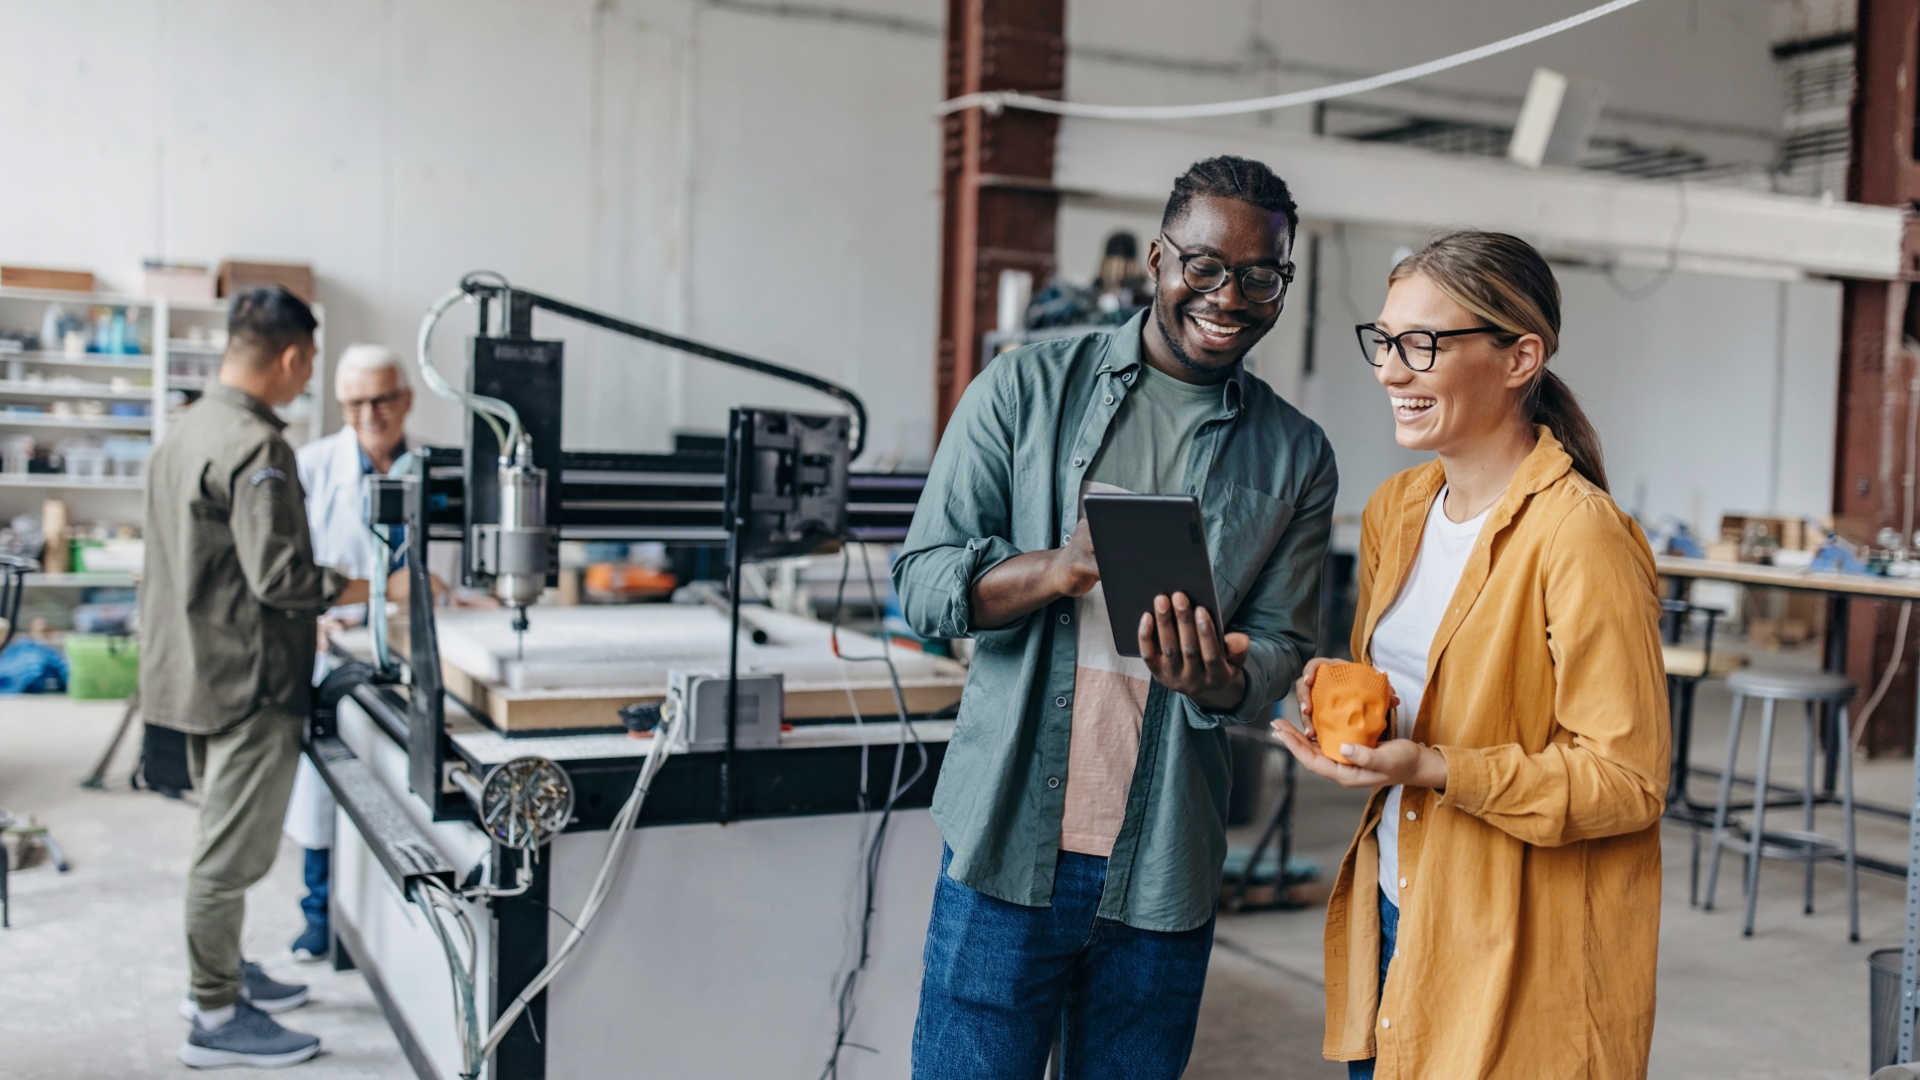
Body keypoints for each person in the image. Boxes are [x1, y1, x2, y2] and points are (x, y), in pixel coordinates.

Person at [895, 155, 1338, 1079]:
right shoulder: (1022, 392)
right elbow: (926, 581)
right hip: (1006, 849)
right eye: (1206, 266)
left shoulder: (1298, 455)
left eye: (1263, 276)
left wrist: (1219, 679)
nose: (1230, 295)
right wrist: (1056, 570)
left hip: (1163, 869)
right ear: (1157, 258)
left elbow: (1287, 650)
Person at [1272, 231, 1667, 1079]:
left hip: (1519, 955)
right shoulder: (1398, 511)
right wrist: (1346, 701)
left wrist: (1436, 764)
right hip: (1397, 921)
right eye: (1384, 341)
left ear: (1520, 356)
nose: (1390, 371)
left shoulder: (1579, 537)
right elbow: (1411, 690)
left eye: (1423, 344)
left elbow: (1627, 781)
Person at [141, 286, 379, 1069]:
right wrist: (375, 588)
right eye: (307, 367)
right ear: (291, 357)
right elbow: (281, 577)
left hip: (195, 669)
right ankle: (214, 1015)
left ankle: (224, 975)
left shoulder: (186, 429)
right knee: (229, 858)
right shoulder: (256, 445)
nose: (304, 382)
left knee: (221, 833)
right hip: (247, 682)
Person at [281, 343, 416, 963]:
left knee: (398, 784)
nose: (369, 413)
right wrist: (302, 621)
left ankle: (388, 924)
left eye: (381, 399)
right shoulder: (308, 468)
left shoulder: (432, 472)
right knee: (323, 788)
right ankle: (320, 916)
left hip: (410, 653)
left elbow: (454, 573)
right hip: (333, 649)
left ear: (405, 400)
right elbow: (284, 571)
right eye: (356, 401)